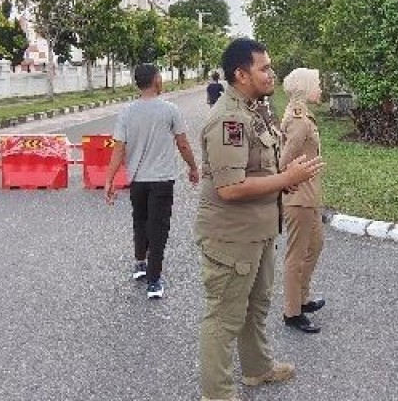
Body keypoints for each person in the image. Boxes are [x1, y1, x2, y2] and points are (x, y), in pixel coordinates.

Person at [196, 38, 324, 401]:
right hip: (231, 236)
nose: (272, 74)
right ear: (241, 74)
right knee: (224, 316)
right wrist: (285, 180)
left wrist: (283, 178)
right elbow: (230, 188)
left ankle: (257, 368)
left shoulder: (254, 109)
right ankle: (217, 394)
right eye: (264, 68)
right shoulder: (230, 119)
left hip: (258, 230)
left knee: (255, 307)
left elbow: (260, 168)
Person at [104, 63, 199, 300]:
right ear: (156, 80)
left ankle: (140, 263)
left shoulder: (127, 112)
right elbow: (183, 144)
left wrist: (109, 180)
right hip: (162, 179)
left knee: (140, 221)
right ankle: (154, 280)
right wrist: (193, 167)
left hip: (137, 180)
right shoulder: (170, 110)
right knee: (158, 228)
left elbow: (118, 148)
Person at [279, 67, 327, 334]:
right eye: (317, 84)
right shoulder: (300, 120)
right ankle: (292, 312)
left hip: (309, 195)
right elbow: (284, 160)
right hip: (299, 197)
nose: (320, 89)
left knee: (315, 245)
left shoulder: (304, 115)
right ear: (305, 87)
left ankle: (302, 298)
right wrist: (282, 183)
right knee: (296, 256)